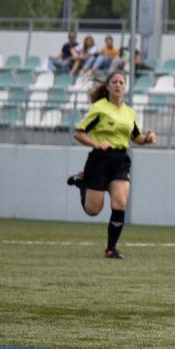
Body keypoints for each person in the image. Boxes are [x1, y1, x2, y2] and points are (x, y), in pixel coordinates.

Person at [65, 71, 157, 259]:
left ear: (125, 87)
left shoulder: (129, 112)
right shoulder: (99, 108)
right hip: (100, 159)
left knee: (120, 202)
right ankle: (82, 183)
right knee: (93, 210)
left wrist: (147, 138)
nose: (118, 85)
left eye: (121, 82)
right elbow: (79, 133)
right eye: (114, 82)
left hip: (120, 160)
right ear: (107, 86)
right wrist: (96, 144)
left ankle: (111, 248)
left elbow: (136, 137)